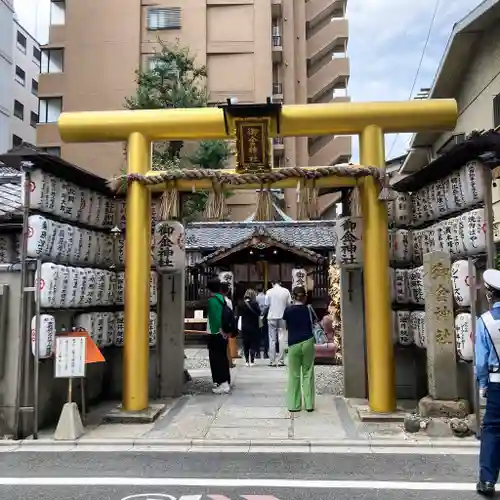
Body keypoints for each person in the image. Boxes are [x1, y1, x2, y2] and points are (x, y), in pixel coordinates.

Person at [475, 269, 500, 496]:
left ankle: (488, 481)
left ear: (490, 295)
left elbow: (481, 361)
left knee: (493, 428)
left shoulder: (485, 321)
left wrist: (482, 384)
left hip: (496, 382)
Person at [283, 286, 315, 412]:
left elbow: (285, 327)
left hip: (293, 343)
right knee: (308, 372)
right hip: (308, 341)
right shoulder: (309, 309)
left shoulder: (288, 310)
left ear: (293, 296)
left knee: (294, 374)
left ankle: (294, 405)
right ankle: (309, 405)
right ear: (305, 297)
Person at [206, 279, 231, 394]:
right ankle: (225, 381)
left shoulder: (212, 300)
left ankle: (222, 383)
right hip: (223, 333)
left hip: (216, 333)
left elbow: (215, 318)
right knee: (223, 357)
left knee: (216, 359)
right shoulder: (222, 299)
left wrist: (219, 330)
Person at [265, 280, 291, 367]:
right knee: (282, 338)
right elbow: (289, 305)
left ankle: (272, 361)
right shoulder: (286, 291)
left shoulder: (269, 292)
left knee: (272, 339)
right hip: (282, 317)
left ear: (272, 283)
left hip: (272, 317)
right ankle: (281, 361)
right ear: (280, 283)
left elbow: (266, 305)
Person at [239, 288, 261, 366]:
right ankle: (252, 361)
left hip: (244, 326)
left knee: (245, 344)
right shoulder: (255, 304)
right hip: (254, 326)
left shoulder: (241, 304)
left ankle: (246, 361)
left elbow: (239, 314)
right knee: (253, 343)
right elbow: (259, 312)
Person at [220, 281, 236, 368]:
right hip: (224, 326)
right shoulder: (228, 301)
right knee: (226, 346)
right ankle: (228, 363)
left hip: (215, 326)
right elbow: (231, 315)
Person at [256, 285, 269, 359]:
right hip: (265, 317)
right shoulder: (266, 297)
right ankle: (265, 353)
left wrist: (259, 313)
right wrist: (263, 313)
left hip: (258, 317)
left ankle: (257, 353)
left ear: (257, 290)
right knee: (265, 335)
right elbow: (267, 306)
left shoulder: (256, 298)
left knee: (257, 334)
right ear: (263, 290)